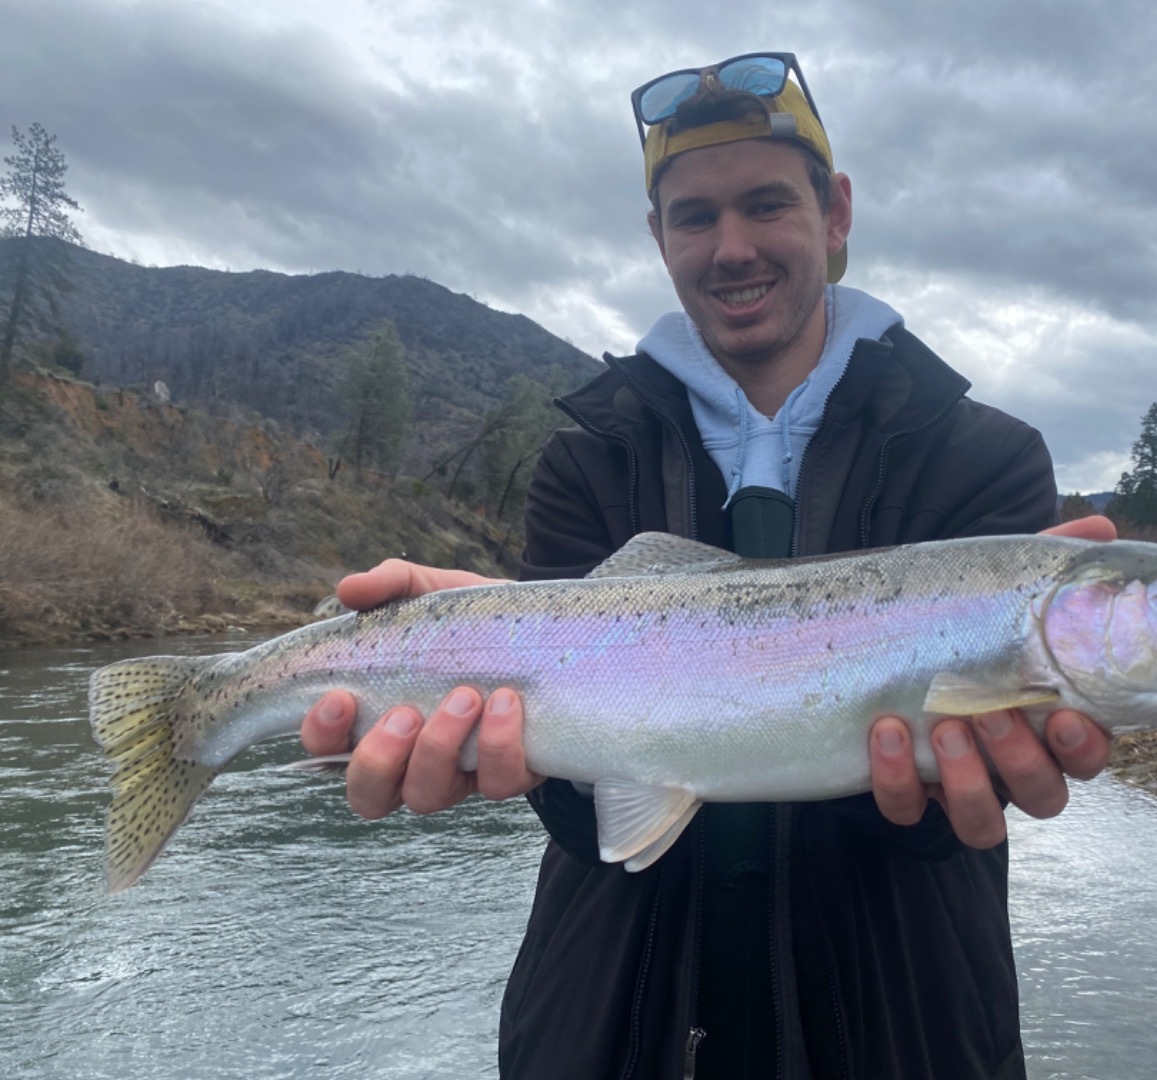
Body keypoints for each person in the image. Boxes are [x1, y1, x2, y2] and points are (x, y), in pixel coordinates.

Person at [301, 51, 1116, 1079]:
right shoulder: (586, 456)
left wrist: (952, 798)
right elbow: (576, 797)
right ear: (658, 239)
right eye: (695, 217)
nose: (732, 247)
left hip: (903, 1025)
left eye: (766, 204)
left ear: (837, 213)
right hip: (607, 1026)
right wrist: (506, 750)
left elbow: (965, 808)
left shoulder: (982, 459)